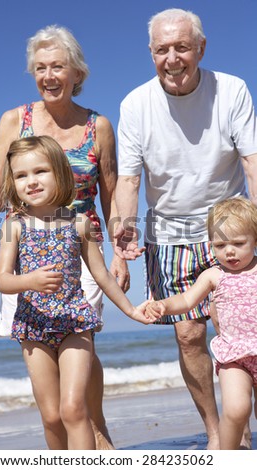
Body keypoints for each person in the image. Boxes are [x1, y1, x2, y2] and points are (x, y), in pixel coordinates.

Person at [0, 25, 129, 447]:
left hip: (83, 244)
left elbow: (109, 193)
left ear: (77, 72)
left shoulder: (98, 126)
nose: (49, 75)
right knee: (47, 375)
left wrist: (120, 255)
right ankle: (71, 432)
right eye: (40, 68)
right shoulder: (13, 120)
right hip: (27, 253)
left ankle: (95, 426)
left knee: (82, 343)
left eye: (58, 66)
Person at [115, 8, 257, 450]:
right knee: (189, 333)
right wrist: (123, 238)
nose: (172, 58)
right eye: (162, 49)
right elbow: (128, 178)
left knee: (245, 324)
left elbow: (252, 160)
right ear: (151, 53)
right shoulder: (136, 104)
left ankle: (243, 426)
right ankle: (219, 433)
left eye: (181, 47)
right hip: (169, 232)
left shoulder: (230, 89)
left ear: (201, 48)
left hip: (229, 227)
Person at [0, 135, 154, 450]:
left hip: (74, 322)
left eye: (40, 171)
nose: (31, 181)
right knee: (52, 416)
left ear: (60, 172)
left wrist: (132, 310)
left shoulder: (79, 223)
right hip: (34, 325)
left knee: (73, 408)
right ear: (12, 183)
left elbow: (102, 276)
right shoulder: (15, 225)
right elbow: (3, 280)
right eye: (21, 175)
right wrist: (30, 281)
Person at [146, 197, 257, 450]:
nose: (229, 251)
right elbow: (186, 299)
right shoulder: (213, 276)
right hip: (234, 357)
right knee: (237, 410)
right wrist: (164, 305)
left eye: (239, 244)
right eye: (220, 245)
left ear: (255, 240)